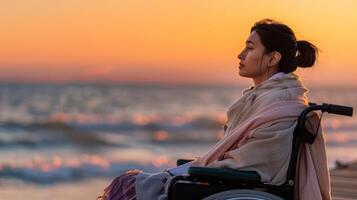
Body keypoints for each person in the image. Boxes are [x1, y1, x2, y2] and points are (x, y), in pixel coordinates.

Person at [98, 19, 331, 200]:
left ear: (273, 59)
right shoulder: (270, 98)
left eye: (250, 48)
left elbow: (257, 163)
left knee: (131, 184)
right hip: (237, 181)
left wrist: (196, 171)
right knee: (133, 182)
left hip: (248, 184)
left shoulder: (280, 103)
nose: (240, 55)